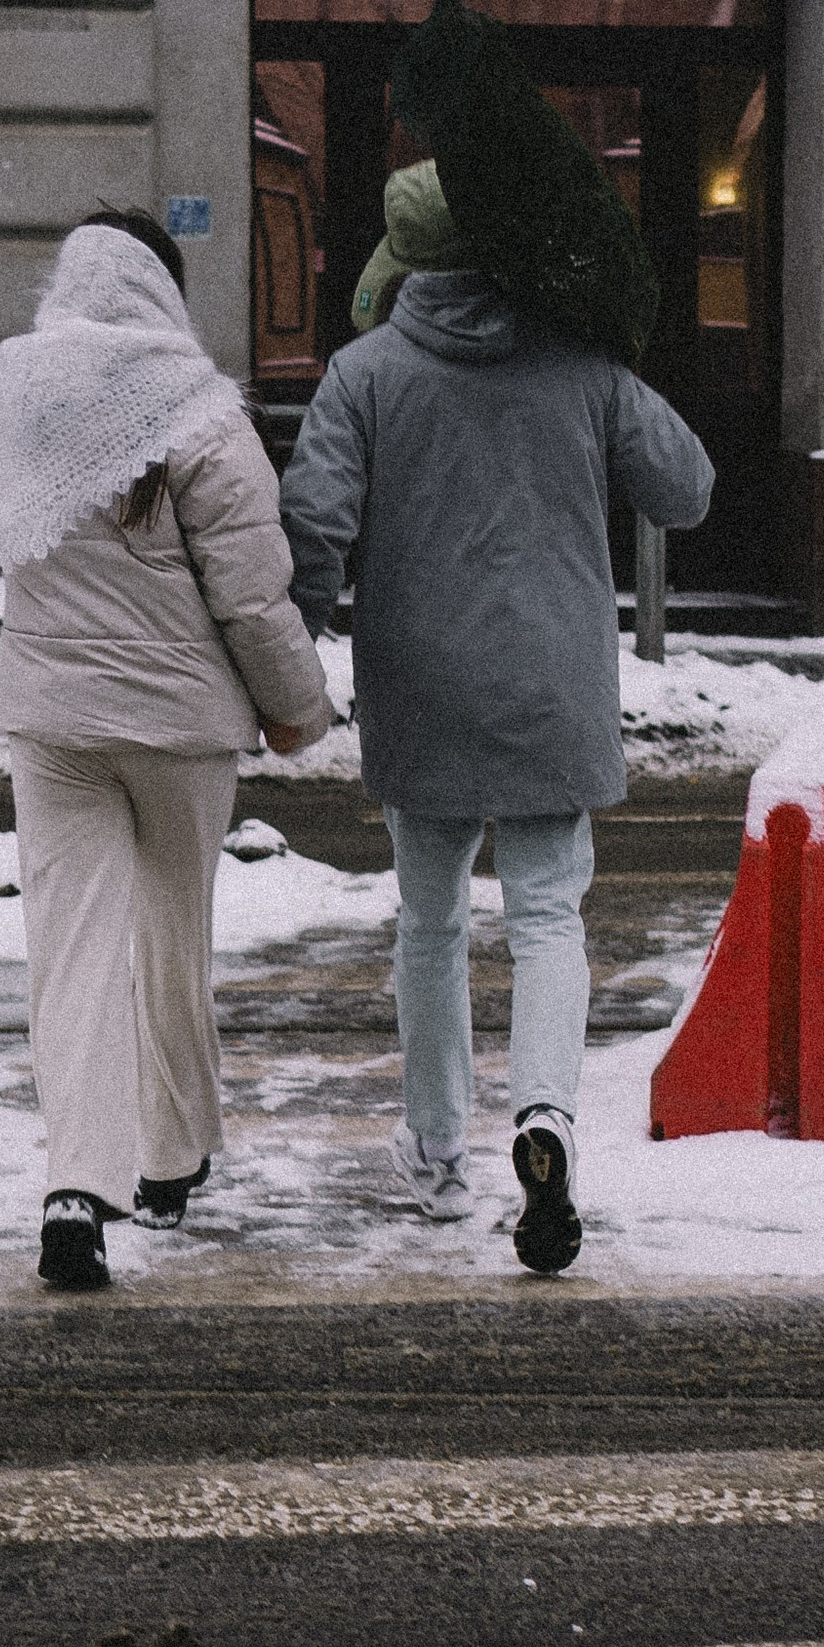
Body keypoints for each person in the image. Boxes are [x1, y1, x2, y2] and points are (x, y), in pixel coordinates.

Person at [280, 171, 713, 1276]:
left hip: (419, 683)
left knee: (428, 925)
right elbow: (687, 490)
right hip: (551, 688)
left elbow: (312, 526)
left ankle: (434, 1152)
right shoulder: (582, 365)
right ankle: (546, 1118)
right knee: (547, 918)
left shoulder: (364, 375)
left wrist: (290, 648)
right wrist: (611, 361)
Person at [0, 207, 330, 1294]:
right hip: (180, 728)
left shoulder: (20, 399)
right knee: (174, 933)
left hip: (56, 724)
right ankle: (170, 1159)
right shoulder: (203, 415)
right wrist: (297, 707)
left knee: (70, 955)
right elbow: (253, 594)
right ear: (164, 293)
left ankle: (77, 1188)